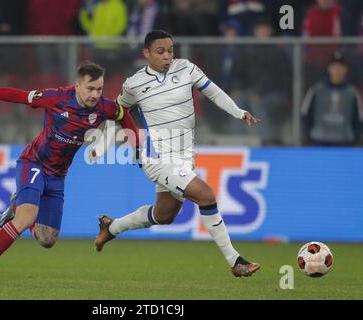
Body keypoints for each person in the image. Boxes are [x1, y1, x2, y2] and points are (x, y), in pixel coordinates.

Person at [91, 30, 261, 277]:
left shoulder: (186, 69)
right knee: (205, 195)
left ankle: (111, 227)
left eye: (170, 51)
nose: (167, 56)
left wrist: (238, 111)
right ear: (146, 53)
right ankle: (235, 261)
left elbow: (213, 91)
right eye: (160, 52)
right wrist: (102, 144)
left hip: (184, 155)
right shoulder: (134, 84)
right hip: (156, 157)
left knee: (164, 215)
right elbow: (117, 114)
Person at [0, 61, 139, 285]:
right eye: (90, 88)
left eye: (99, 89)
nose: (95, 94)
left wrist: (137, 144)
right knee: (28, 217)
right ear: (77, 86)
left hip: (58, 176)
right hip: (33, 162)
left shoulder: (104, 108)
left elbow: (124, 114)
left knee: (48, 239)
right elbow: (18, 95)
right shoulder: (56, 97)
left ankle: (16, 207)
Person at [301, 51, 363, 146]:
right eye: (334, 67)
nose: (337, 70)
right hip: (319, 142)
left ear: (346, 69)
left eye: (340, 67)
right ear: (329, 69)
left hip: (345, 144)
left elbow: (359, 118)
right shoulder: (316, 90)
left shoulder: (353, 93)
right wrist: (309, 137)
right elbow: (305, 114)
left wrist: (354, 139)